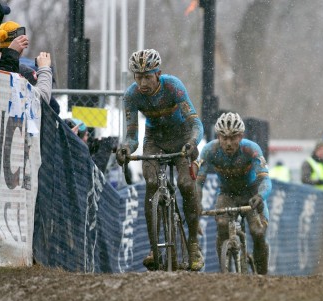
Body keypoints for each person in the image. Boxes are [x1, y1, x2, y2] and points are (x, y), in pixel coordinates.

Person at [116, 49, 204, 271]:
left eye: (147, 76)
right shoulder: (131, 96)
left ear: (158, 74)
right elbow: (132, 136)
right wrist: (126, 148)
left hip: (182, 136)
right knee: (152, 183)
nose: (143, 82)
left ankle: (193, 244)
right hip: (155, 138)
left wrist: (192, 143)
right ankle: (155, 249)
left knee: (185, 183)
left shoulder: (173, 86)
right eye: (138, 76)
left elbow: (196, 123)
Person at [195, 112, 271, 275]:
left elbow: (265, 180)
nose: (228, 143)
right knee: (222, 224)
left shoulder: (251, 149)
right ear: (218, 137)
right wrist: (197, 203)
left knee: (258, 232)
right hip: (227, 194)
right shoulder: (209, 150)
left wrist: (260, 196)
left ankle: (264, 276)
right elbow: (198, 183)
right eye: (224, 138)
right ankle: (225, 266)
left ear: (241, 136)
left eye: (233, 138)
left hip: (252, 194)